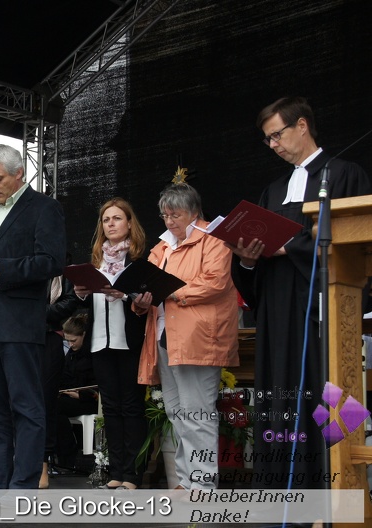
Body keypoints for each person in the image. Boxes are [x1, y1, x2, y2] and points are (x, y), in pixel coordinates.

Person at [229, 97, 372, 487]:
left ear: (303, 126)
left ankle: (341, 487)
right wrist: (246, 259)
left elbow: (354, 243)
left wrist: (288, 246)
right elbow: (254, 268)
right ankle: (281, 493)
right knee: (281, 399)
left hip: (323, 310)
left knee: (331, 397)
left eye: (277, 134)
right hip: (277, 315)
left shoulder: (343, 174)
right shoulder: (273, 190)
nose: (274, 144)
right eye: (267, 140)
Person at [0, 144, 67, 489]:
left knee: (26, 408)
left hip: (19, 324)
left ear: (19, 173)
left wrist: (0, 269)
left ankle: (23, 485)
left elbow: (51, 262)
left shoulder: (44, 208)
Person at [133, 183, 239, 490]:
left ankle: (203, 485)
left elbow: (215, 283)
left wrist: (170, 290)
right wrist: (141, 300)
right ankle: (184, 479)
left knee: (197, 412)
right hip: (165, 336)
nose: (169, 221)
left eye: (175, 214)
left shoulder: (214, 239)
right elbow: (149, 287)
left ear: (194, 212)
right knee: (177, 411)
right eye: (165, 215)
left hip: (199, 337)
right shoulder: (161, 247)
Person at [72, 197, 148, 490]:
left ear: (129, 223)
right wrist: (81, 292)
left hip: (127, 341)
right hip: (100, 342)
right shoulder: (96, 260)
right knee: (112, 409)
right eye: (106, 220)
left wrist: (125, 294)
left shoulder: (141, 259)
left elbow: (147, 299)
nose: (111, 224)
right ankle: (116, 472)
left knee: (131, 407)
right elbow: (84, 301)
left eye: (117, 218)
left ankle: (133, 475)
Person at [39, 272, 79, 488]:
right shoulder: (20, 260)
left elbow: (71, 301)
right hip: (19, 337)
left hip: (49, 337)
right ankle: (19, 461)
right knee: (17, 400)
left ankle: (43, 463)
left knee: (46, 403)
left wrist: (38, 312)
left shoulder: (61, 272)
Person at [55, 314, 98, 469]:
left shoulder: (93, 354)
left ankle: (69, 455)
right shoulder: (71, 354)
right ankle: (66, 454)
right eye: (67, 340)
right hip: (72, 397)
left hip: (90, 400)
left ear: (84, 335)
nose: (70, 344)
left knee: (54, 407)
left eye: (73, 340)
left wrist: (80, 394)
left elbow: (98, 385)